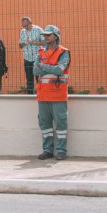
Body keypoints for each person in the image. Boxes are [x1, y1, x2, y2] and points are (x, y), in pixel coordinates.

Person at [34, 24, 71, 161]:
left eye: (48, 35)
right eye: (44, 35)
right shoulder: (40, 52)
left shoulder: (63, 52)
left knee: (61, 124)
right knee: (45, 124)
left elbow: (60, 70)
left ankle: (61, 151)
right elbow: (35, 71)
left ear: (56, 36)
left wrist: (43, 66)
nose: (45, 37)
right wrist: (50, 68)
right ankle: (47, 150)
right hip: (43, 96)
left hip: (58, 95)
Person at [19, 16, 44, 94]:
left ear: (31, 23)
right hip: (27, 58)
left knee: (39, 78)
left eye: (26, 25)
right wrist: (23, 43)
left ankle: (41, 94)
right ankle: (29, 95)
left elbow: (44, 43)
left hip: (37, 58)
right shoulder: (22, 31)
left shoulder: (39, 30)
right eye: (23, 26)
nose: (25, 27)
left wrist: (33, 42)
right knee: (29, 79)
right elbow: (20, 46)